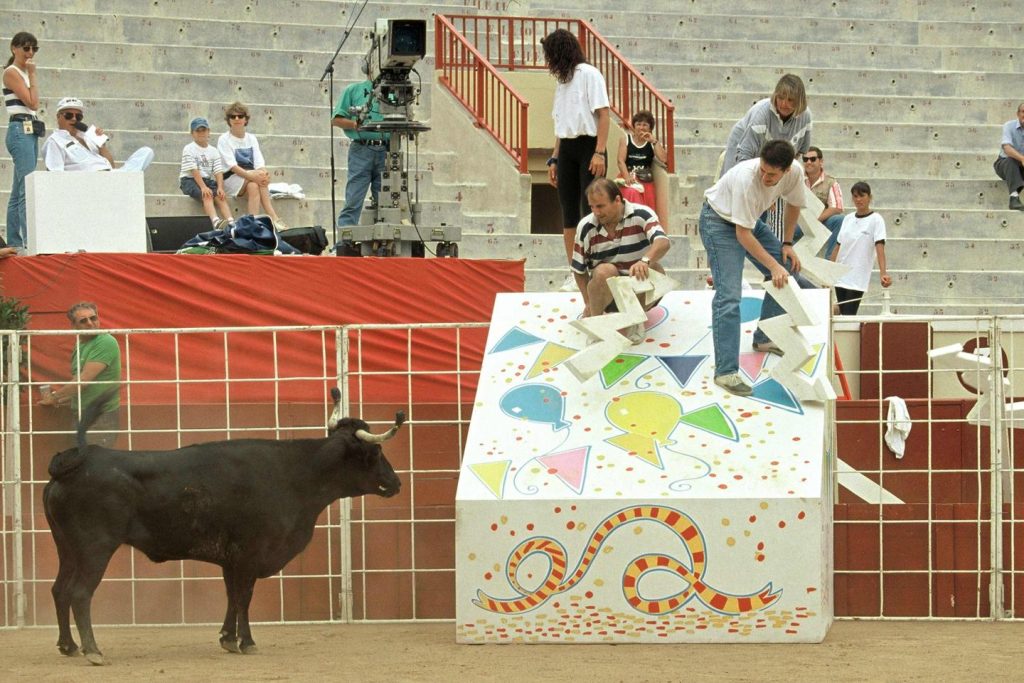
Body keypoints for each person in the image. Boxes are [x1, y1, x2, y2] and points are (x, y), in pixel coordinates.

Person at [699, 139, 806, 396]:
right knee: (729, 296)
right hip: (719, 222)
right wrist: (773, 265)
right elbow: (743, 235)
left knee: (785, 267)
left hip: (748, 221)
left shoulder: (796, 173)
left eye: (772, 174)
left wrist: (788, 243)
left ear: (786, 171)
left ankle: (764, 337)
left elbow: (794, 204)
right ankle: (726, 372)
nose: (766, 177)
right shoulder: (747, 178)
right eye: (763, 170)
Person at [542, 28, 611, 290]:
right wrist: (554, 159)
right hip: (567, 148)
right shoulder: (562, 82)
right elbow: (561, 125)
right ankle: (575, 270)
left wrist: (600, 151)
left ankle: (597, 266)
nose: (549, 62)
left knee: (591, 209)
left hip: (590, 145)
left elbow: (604, 114)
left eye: (550, 55)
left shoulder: (589, 74)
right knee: (568, 212)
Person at [571, 178, 670, 342]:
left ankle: (635, 319)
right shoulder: (585, 226)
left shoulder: (642, 214)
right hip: (606, 295)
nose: (596, 212)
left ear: (617, 200)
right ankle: (596, 323)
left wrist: (645, 260)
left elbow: (663, 242)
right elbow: (578, 270)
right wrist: (588, 303)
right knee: (604, 271)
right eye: (592, 207)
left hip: (638, 289)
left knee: (656, 270)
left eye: (601, 206)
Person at [721, 74, 812, 240]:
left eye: (791, 100)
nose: (784, 104)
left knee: (768, 204)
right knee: (739, 202)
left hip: (775, 164)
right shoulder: (760, 115)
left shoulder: (806, 118)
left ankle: (762, 243)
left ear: (799, 101)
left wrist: (778, 184)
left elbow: (799, 152)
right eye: (781, 98)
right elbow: (744, 157)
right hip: (746, 157)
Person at [38, 302, 122, 447]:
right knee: (85, 463)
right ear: (74, 326)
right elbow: (80, 382)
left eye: (93, 318)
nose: (90, 323)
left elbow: (83, 380)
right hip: (83, 413)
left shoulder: (105, 341)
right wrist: (59, 399)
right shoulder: (81, 345)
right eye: (83, 321)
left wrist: (55, 397)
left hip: (100, 415)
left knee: (92, 463)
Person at [332, 78, 389, 235]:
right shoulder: (353, 90)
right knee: (353, 199)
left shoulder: (394, 91)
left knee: (386, 203)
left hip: (387, 150)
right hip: (361, 148)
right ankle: (345, 241)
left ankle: (383, 238)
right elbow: (336, 119)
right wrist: (355, 124)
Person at [217, 101, 287, 228]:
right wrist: (255, 176)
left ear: (245, 119)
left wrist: (264, 174)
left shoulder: (251, 138)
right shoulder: (223, 139)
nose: (236, 119)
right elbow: (232, 167)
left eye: (240, 116)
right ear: (229, 120)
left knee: (254, 186)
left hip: (250, 178)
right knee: (256, 178)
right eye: (233, 116)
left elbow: (260, 163)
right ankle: (273, 216)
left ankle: (251, 224)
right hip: (231, 177)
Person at [42, 96, 154, 172]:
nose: (74, 119)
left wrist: (102, 145)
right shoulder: (55, 141)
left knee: (147, 152)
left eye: (78, 116)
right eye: (68, 115)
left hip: (109, 175)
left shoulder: (86, 136)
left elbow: (111, 166)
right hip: (88, 183)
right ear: (58, 117)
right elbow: (55, 174)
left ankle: (124, 178)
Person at [3, 32, 41, 251]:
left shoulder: (23, 73)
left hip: (28, 128)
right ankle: (24, 240)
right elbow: (33, 102)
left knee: (20, 189)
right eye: (26, 49)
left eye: (34, 49)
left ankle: (17, 242)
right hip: (20, 128)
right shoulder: (12, 72)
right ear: (14, 48)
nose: (30, 54)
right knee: (24, 188)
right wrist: (33, 76)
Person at [830, 182, 891, 315]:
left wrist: (883, 273)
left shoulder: (876, 220)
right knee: (842, 313)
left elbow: (880, 247)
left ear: (869, 197)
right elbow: (838, 245)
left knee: (849, 313)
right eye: (855, 196)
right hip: (841, 273)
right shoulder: (848, 218)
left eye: (862, 196)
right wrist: (829, 269)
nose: (858, 199)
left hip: (857, 276)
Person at [179, 116, 233, 229]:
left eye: (203, 130)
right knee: (207, 195)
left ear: (208, 132)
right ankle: (216, 221)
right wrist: (203, 187)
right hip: (189, 180)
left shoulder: (214, 151)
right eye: (197, 130)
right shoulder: (188, 148)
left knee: (220, 196)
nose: (201, 133)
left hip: (206, 179)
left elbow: (218, 171)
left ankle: (231, 222)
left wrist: (220, 187)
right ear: (192, 133)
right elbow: (194, 170)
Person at [616, 110, 667, 212]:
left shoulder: (652, 142)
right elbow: (620, 160)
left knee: (646, 210)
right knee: (629, 198)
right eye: (638, 124)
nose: (641, 127)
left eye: (645, 125)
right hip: (628, 176)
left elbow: (663, 159)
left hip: (645, 179)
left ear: (650, 128)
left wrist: (654, 141)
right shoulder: (625, 139)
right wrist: (627, 177)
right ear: (634, 126)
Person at [802, 146, 844, 257]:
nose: (809, 162)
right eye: (805, 159)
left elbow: (837, 207)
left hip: (821, 222)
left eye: (813, 159)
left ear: (821, 161)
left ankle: (830, 259)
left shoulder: (830, 182)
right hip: (801, 224)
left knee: (839, 220)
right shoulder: (798, 180)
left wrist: (815, 220)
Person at [993, 102, 1024, 211]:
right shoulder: (1009, 126)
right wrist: (1022, 158)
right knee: (1011, 160)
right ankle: (1014, 198)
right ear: (1018, 114)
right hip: (1005, 164)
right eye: (1023, 112)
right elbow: (1007, 148)